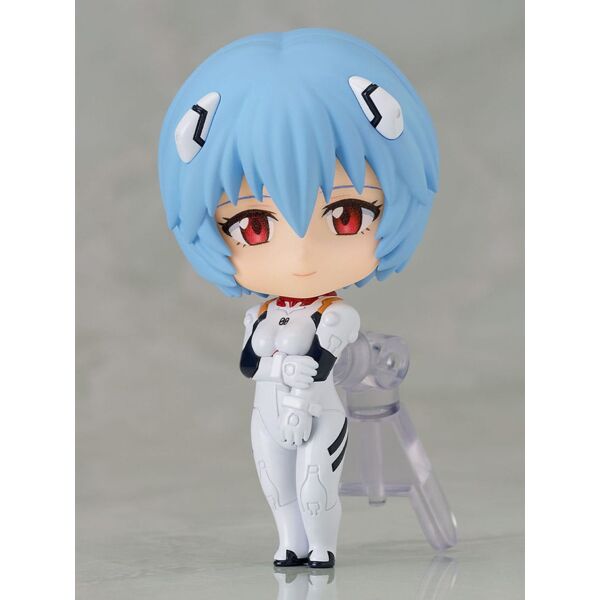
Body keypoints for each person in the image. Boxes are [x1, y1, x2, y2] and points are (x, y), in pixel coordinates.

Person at [158, 28, 438, 568]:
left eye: (347, 216)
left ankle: (323, 547)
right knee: (277, 486)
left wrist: (293, 374)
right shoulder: (260, 314)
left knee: (315, 485)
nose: (302, 255)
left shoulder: (335, 315)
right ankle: (290, 543)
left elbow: (322, 361)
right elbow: (248, 364)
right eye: (255, 226)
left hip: (317, 410)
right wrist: (276, 368)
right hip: (268, 412)